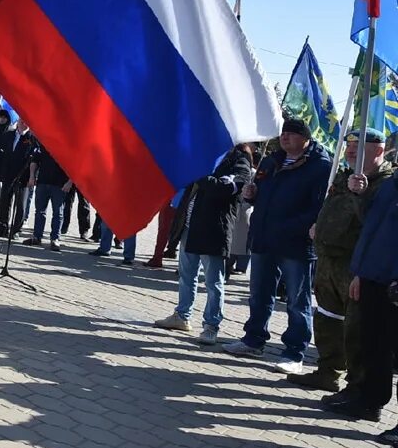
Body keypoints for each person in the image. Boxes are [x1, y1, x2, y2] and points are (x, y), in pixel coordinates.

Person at [222, 118, 331, 374]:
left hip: (296, 244)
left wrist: (289, 227)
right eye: (283, 133)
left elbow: (318, 209)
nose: (285, 137)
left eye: (292, 134)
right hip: (263, 239)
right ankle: (253, 340)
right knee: (259, 293)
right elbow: (261, 192)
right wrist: (252, 194)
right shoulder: (271, 161)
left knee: (296, 301)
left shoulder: (320, 167)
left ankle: (294, 352)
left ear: (306, 139)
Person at [297, 129, 392, 394]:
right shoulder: (344, 175)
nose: (351, 150)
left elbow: (375, 225)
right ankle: (327, 372)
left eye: (360, 146)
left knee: (357, 328)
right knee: (327, 318)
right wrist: (320, 226)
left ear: (379, 151)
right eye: (349, 144)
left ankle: (356, 387)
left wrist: (361, 194)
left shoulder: (384, 183)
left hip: (355, 264)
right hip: (329, 258)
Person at [152, 145, 254, 344]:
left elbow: (223, 189)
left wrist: (198, 173)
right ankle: (182, 316)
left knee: (213, 281)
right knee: (186, 275)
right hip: (190, 227)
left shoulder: (239, 162)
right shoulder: (206, 154)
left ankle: (211, 325)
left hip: (214, 230)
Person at [320, 172, 398, 424]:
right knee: (373, 346)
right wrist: (361, 272)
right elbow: (372, 226)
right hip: (373, 275)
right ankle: (368, 401)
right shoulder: (392, 183)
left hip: (392, 280)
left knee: (388, 348)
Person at [22, 140, 71, 251]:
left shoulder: (67, 145)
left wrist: (70, 182)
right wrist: (31, 176)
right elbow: (35, 161)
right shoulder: (44, 143)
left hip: (60, 185)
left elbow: (75, 166)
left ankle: (55, 239)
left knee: (58, 213)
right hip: (42, 183)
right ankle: (37, 237)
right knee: (39, 211)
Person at [0, 122, 34, 238]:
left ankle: (15, 231)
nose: (22, 123)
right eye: (21, 119)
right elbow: (1, 155)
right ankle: (2, 228)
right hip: (7, 175)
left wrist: (31, 176)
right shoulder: (8, 135)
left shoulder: (32, 138)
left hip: (23, 178)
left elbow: (33, 159)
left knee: (20, 205)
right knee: (4, 202)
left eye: (25, 121)